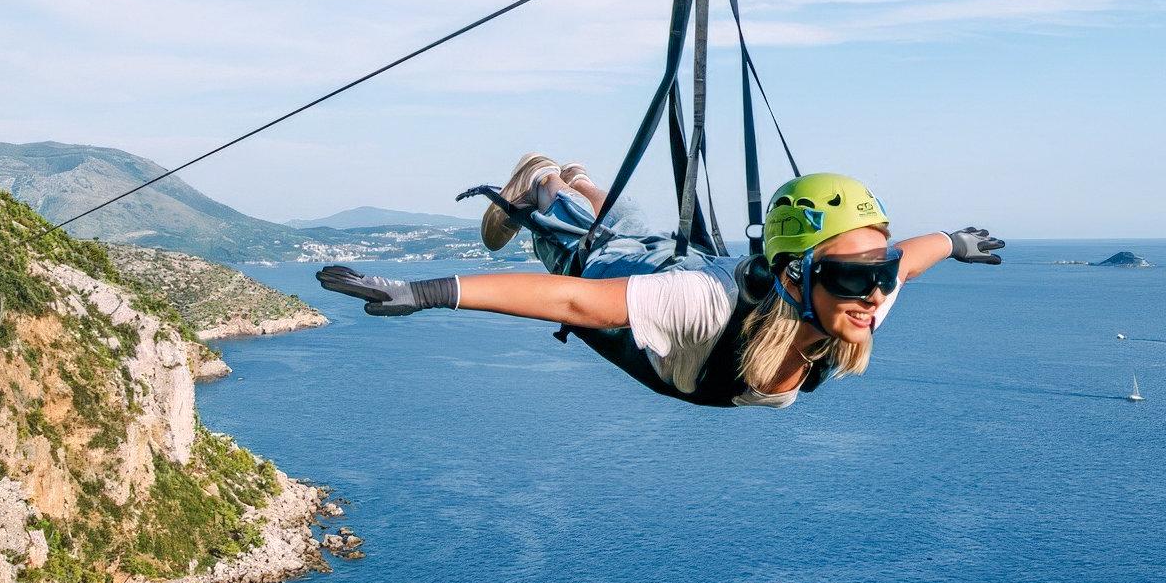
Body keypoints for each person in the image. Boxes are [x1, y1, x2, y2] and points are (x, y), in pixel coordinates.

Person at [316, 153, 1003, 407]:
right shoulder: (702, 309)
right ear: (797, 275)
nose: (876, 292)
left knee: (637, 236)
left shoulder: (856, 302)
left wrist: (955, 241)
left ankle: (581, 175)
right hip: (681, 290)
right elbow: (569, 298)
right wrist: (424, 292)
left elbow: (906, 256)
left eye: (877, 275)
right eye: (856, 277)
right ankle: (545, 181)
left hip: (694, 270)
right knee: (582, 251)